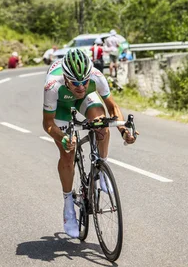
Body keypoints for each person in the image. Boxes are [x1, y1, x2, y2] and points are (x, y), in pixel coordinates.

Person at [42, 48, 136, 239]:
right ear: (66, 78)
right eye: (76, 83)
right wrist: (63, 138)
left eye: (84, 81)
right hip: (61, 104)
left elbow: (113, 107)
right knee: (67, 154)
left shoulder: (96, 76)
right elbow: (48, 123)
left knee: (102, 125)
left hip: (85, 101)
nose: (81, 86)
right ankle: (68, 206)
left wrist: (124, 130)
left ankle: (101, 169)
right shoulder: (52, 85)